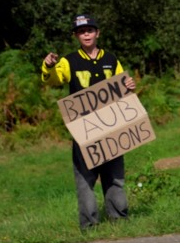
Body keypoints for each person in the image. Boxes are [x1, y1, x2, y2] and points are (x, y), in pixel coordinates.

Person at [41, 14, 136, 229]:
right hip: (84, 129)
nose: (86, 34)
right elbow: (55, 79)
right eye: (81, 31)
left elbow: (124, 89)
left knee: (115, 177)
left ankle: (119, 220)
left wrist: (129, 86)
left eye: (90, 30)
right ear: (76, 35)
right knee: (85, 180)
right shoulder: (68, 61)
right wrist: (48, 67)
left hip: (111, 128)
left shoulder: (111, 59)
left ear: (97, 33)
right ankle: (90, 226)